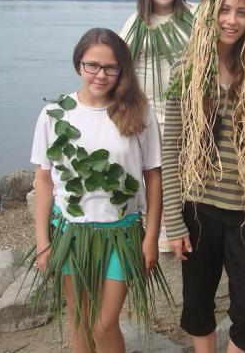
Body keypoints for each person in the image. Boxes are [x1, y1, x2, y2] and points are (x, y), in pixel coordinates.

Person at [162, 0, 245, 353]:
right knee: (198, 301)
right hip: (198, 206)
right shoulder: (187, 70)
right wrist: (173, 218)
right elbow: (171, 148)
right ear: (210, 12)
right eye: (225, 9)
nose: (232, 20)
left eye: (243, 12)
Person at [30, 28, 168, 353]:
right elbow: (44, 180)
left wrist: (151, 237)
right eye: (93, 65)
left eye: (111, 67)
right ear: (79, 63)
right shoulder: (54, 115)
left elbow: (154, 178)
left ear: (122, 69)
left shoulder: (138, 113)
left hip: (121, 233)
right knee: (80, 319)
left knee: (104, 324)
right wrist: (42, 241)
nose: (101, 74)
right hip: (70, 234)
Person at [120, 0, 193, 253]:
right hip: (150, 110)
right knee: (156, 171)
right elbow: (121, 63)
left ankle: (185, 222)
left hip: (187, 107)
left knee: (185, 168)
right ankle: (159, 228)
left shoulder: (194, 14)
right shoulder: (136, 24)